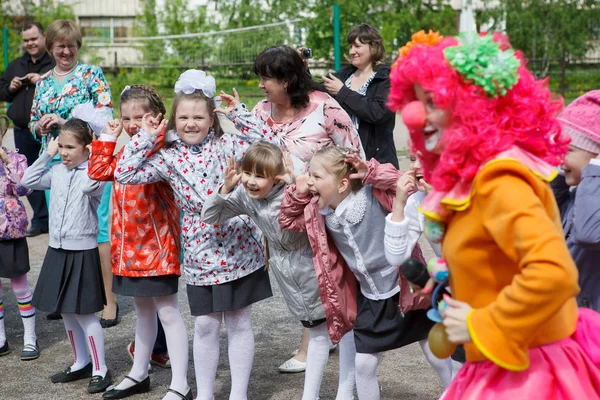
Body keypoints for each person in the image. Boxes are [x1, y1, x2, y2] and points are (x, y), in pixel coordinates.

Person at [388, 31, 600, 399]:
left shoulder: (500, 180)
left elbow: (553, 275)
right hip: (499, 358)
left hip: (527, 369)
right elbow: (498, 255)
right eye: (416, 101)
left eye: (432, 101)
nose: (414, 113)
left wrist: (481, 321)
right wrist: (453, 274)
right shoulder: (478, 179)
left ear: (474, 104)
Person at [115, 70, 276, 400]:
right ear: (174, 119)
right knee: (205, 325)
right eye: (184, 116)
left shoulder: (228, 143)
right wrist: (146, 137)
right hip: (200, 253)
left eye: (198, 116)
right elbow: (124, 172)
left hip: (240, 247)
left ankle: (239, 394)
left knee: (239, 322)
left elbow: (268, 145)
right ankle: (204, 394)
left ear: (211, 118)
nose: (191, 123)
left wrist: (239, 116)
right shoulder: (168, 158)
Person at [279, 147, 438, 400]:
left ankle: (459, 390)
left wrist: (371, 172)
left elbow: (402, 181)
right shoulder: (317, 212)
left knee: (434, 351)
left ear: (342, 184)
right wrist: (297, 195)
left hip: (402, 289)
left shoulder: (372, 195)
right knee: (363, 364)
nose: (310, 181)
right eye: (310, 175)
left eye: (317, 177)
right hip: (369, 297)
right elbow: (287, 220)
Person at [201, 142, 355, 399]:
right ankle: (316, 394)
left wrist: (297, 183)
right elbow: (210, 215)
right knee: (318, 331)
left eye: (260, 176)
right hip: (290, 275)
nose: (251, 181)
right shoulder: (245, 196)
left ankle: (345, 391)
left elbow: (323, 208)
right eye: (247, 172)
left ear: (276, 177)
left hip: (318, 267)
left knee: (342, 328)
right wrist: (226, 188)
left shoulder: (293, 193)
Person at [252, 45, 364, 373]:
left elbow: (352, 154)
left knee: (325, 276)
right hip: (283, 215)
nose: (261, 85)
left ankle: (316, 345)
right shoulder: (260, 111)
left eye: (266, 78)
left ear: (286, 80)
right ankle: (322, 339)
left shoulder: (325, 107)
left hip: (324, 210)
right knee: (301, 280)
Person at [88, 85, 186, 399]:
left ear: (156, 118)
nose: (132, 124)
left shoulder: (162, 149)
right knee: (144, 312)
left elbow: (135, 164)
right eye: (126, 117)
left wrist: (146, 135)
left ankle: (180, 383)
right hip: (127, 250)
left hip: (157, 249)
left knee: (168, 312)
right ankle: (138, 373)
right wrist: (108, 138)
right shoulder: (127, 148)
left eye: (139, 117)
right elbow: (98, 170)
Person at [28, 19, 117, 324]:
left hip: (88, 164)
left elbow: (106, 116)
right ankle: (64, 295)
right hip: (54, 164)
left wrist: (62, 118)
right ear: (50, 47)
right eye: (60, 46)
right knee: (62, 231)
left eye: (71, 45)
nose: (66, 51)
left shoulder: (91, 74)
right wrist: (38, 125)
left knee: (98, 230)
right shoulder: (41, 82)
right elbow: (31, 121)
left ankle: (108, 300)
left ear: (78, 46)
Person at [21, 119, 112, 394]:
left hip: (82, 250)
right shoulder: (57, 169)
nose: (65, 152)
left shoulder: (93, 174)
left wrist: (97, 153)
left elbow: (87, 188)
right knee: (66, 312)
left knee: (85, 314)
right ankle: (80, 362)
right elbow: (27, 181)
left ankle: (100, 368)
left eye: (70, 147)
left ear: (87, 148)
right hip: (57, 248)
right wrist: (48, 153)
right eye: (61, 146)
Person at [383, 152, 462, 389]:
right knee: (460, 363)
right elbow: (396, 255)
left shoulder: (467, 191)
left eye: (421, 159)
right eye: (412, 159)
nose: (414, 166)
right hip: (457, 296)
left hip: (489, 292)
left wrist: (438, 201)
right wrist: (399, 203)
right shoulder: (418, 200)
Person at [319, 24, 398, 167]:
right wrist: (302, 68)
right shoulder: (345, 75)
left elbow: (379, 112)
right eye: (350, 46)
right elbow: (315, 89)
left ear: (373, 47)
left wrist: (343, 92)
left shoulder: (386, 76)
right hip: (344, 161)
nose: (352, 51)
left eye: (357, 46)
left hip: (376, 162)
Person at [0, 22, 53, 237]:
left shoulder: (54, 64)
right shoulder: (16, 65)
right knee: (27, 176)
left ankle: (54, 217)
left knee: (50, 174)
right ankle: (40, 220)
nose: (30, 43)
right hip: (22, 131)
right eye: (26, 40)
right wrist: (10, 88)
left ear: (44, 36)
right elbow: (2, 92)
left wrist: (42, 81)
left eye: (33, 38)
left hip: (47, 132)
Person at [552, 91, 600, 312]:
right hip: (566, 314)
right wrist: (563, 172)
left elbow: (588, 234)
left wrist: (595, 169)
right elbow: (545, 205)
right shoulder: (577, 194)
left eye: (567, 150)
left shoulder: (591, 197)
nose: (559, 158)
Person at [0, 115, 38, 360]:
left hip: (10, 230)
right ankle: (1, 338)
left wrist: (5, 160)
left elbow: (24, 188)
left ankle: (30, 338)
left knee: (20, 286)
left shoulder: (16, 158)